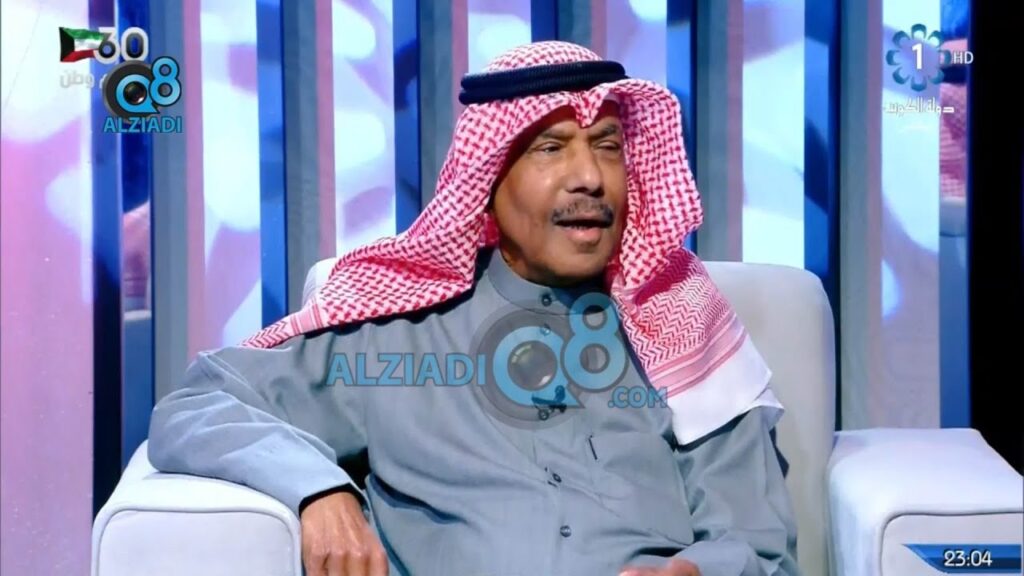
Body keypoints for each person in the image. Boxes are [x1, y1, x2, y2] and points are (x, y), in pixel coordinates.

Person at [147, 41, 800, 576]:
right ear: (486, 183)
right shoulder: (394, 333)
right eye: (551, 148)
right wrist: (316, 488)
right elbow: (200, 404)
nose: (591, 177)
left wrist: (697, 572)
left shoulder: (682, 329)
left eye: (607, 146)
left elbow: (761, 547)